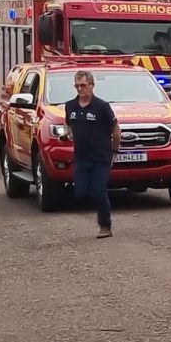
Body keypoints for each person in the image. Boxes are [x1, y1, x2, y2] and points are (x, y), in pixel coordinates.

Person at [62, 69, 121, 238]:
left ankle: (105, 225)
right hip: (81, 158)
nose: (80, 89)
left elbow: (116, 130)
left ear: (92, 86)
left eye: (83, 85)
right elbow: (68, 124)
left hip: (100, 157)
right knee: (80, 192)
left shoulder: (101, 106)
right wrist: (68, 133)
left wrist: (114, 150)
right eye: (77, 85)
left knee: (98, 191)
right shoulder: (70, 106)